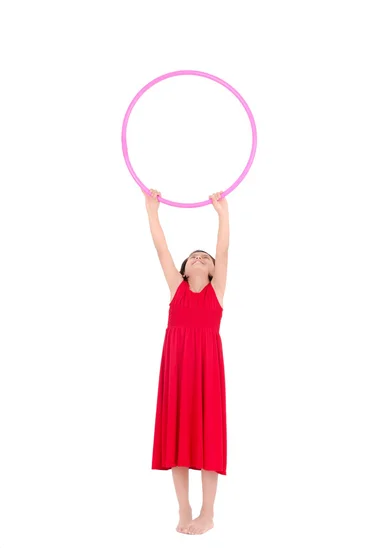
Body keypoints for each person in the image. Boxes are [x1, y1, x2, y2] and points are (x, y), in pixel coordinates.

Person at [142, 187, 229, 535]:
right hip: (177, 368)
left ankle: (208, 512)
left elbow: (222, 250)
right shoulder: (175, 289)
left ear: (211, 273)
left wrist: (222, 214)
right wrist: (152, 211)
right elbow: (161, 247)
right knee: (178, 435)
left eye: (204, 259)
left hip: (207, 369)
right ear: (182, 270)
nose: (199, 257)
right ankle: (184, 508)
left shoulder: (216, 292)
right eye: (193, 256)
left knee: (208, 435)